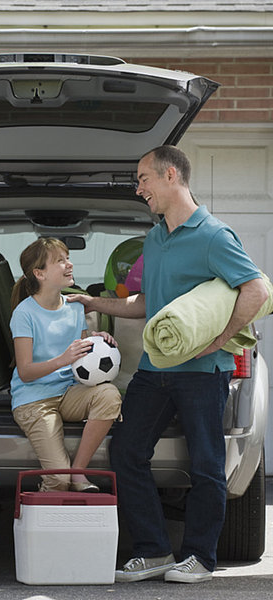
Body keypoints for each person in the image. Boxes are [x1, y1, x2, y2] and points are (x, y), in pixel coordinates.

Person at [68, 146, 268, 583]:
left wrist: (216, 341)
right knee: (126, 451)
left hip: (203, 373)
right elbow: (146, 303)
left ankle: (199, 557)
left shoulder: (214, 235)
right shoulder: (155, 237)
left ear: (171, 175)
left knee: (206, 465)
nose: (139, 189)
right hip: (155, 370)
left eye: (143, 179)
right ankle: (154, 549)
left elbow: (255, 290)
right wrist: (91, 301)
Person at [10, 237, 122, 492]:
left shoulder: (74, 307)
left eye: (67, 258)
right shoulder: (24, 314)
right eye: (60, 261)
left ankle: (79, 472)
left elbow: (80, 353)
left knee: (109, 395)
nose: (69, 265)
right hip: (34, 400)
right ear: (40, 273)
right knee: (57, 480)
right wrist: (63, 359)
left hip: (69, 392)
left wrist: (96, 341)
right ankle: (46, 521)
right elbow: (26, 372)